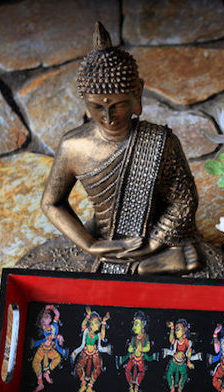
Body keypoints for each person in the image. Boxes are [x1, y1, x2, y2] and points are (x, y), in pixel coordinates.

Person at [41, 22, 201, 276]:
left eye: (117, 105)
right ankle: (144, 268)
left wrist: (152, 243)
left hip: (156, 235)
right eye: (97, 107)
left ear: (137, 93)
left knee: (204, 267)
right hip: (103, 236)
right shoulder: (73, 146)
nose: (108, 116)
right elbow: (51, 203)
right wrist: (91, 244)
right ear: (85, 102)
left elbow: (183, 201)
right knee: (43, 266)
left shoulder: (160, 141)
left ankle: (148, 263)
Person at [71, 307, 111, 392]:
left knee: (98, 368)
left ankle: (90, 386)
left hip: (95, 352)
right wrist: (87, 316)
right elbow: (83, 325)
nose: (98, 325)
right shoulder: (86, 331)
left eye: (98, 323)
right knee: (79, 366)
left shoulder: (97, 335)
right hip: (85, 352)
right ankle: (83, 384)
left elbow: (103, 336)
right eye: (96, 323)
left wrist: (104, 323)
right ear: (90, 324)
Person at [30, 305, 68, 392]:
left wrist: (52, 307)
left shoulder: (54, 324)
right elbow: (51, 336)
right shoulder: (45, 328)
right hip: (43, 349)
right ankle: (40, 383)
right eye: (45, 316)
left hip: (50, 349)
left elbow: (57, 314)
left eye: (48, 315)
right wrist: (58, 336)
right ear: (41, 321)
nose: (48, 316)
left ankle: (47, 373)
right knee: (36, 363)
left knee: (57, 358)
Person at [165, 319, 195, 392]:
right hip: (174, 361)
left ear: (184, 331)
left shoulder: (187, 342)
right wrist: (171, 328)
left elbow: (189, 352)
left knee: (184, 376)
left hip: (182, 363)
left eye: (178, 330)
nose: (176, 332)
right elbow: (171, 339)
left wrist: (188, 362)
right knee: (169, 374)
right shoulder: (176, 342)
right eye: (175, 330)